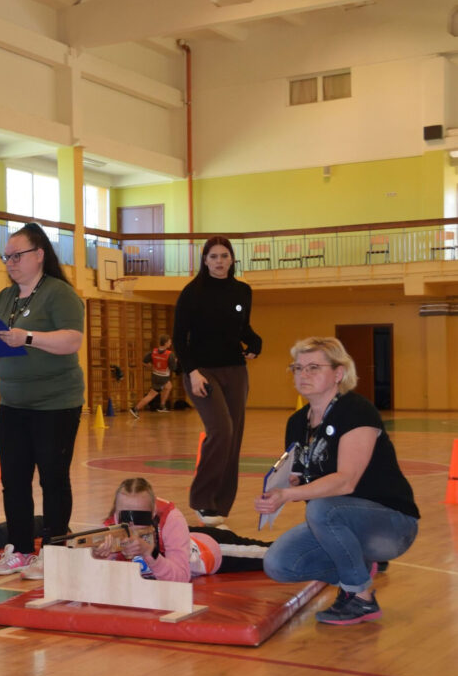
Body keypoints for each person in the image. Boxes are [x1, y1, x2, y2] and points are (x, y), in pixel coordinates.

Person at [255, 337, 419, 625]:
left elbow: (345, 482)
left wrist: (288, 496)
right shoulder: (297, 423)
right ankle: (357, 568)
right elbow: (302, 475)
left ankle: (361, 598)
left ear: (338, 373)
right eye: (297, 368)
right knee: (279, 563)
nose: (303, 374)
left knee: (322, 509)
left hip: (391, 525)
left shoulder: (356, 411)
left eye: (313, 367)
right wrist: (283, 487)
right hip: (338, 522)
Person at [0, 222, 85, 576]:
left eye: (17, 255)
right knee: (13, 479)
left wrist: (27, 337)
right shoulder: (4, 297)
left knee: (53, 479)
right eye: (6, 257)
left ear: (39, 254)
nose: (10, 262)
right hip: (13, 403)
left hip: (55, 404)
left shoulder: (60, 293)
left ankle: (54, 552)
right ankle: (21, 550)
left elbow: (72, 340)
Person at [172, 236, 261, 527]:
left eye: (224, 256)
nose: (219, 261)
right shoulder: (192, 292)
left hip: (235, 370)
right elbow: (179, 338)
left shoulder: (243, 291)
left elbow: (242, 329)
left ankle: (220, 505)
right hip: (201, 371)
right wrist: (192, 372)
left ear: (232, 259)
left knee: (234, 437)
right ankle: (202, 498)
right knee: (221, 430)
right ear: (205, 260)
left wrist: (255, 342)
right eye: (213, 256)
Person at [90, 478, 270, 582]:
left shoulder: (170, 519)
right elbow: (102, 579)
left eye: (140, 517)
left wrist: (149, 552)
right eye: (125, 516)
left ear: (153, 513)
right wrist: (101, 557)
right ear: (116, 512)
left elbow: (181, 578)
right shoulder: (109, 530)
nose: (132, 525)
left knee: (271, 556)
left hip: (212, 550)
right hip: (183, 540)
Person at [130, 335, 176, 418]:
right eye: (169, 342)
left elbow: (144, 361)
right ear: (165, 343)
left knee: (168, 386)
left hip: (155, 375)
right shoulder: (170, 354)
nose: (170, 343)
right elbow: (173, 368)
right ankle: (135, 409)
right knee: (151, 395)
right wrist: (175, 361)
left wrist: (151, 367)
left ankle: (162, 405)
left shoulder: (153, 352)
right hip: (163, 377)